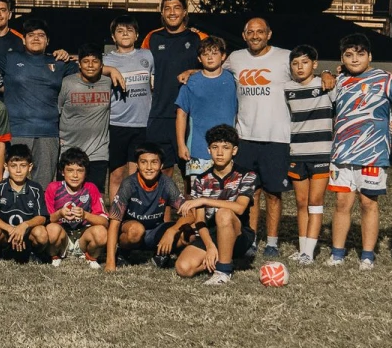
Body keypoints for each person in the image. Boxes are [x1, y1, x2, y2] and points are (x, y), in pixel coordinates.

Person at [326, 34, 392, 270]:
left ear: (370, 56)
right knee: (341, 203)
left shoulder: (384, 79)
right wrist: (327, 74)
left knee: (368, 203)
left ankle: (367, 255)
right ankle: (337, 253)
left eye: (360, 54)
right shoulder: (338, 80)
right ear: (342, 58)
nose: (355, 59)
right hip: (341, 154)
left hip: (372, 154)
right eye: (349, 54)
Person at [224, 18, 298, 257]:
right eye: (250, 32)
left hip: (276, 137)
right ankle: (251, 239)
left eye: (260, 32)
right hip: (245, 137)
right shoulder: (235, 58)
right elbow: (212, 69)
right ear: (244, 35)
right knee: (249, 193)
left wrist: (327, 74)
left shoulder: (285, 56)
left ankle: (273, 242)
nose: (255, 36)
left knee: (273, 193)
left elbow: (305, 72)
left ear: (269, 34)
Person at [172, 124, 258, 286]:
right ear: (208, 150)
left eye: (225, 147)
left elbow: (240, 207)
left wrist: (204, 200)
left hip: (239, 234)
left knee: (223, 213)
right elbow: (200, 221)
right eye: (215, 147)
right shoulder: (201, 180)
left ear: (234, 151)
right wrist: (210, 246)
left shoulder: (247, 175)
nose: (219, 152)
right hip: (211, 234)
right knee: (183, 268)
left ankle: (223, 271)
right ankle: (222, 258)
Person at [1, 17, 74, 185]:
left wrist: (112, 70)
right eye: (31, 34)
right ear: (23, 39)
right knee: (15, 182)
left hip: (48, 132)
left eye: (41, 35)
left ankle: (41, 213)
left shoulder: (58, 62)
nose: (35, 38)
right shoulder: (10, 59)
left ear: (48, 40)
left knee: (44, 185)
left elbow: (90, 66)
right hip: (18, 131)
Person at [141, 0, 208, 175]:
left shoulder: (198, 38)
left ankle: (190, 204)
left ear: (184, 11)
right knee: (162, 171)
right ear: (162, 13)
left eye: (176, 8)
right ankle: (164, 205)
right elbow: (138, 68)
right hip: (159, 114)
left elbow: (215, 68)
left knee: (191, 173)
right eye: (167, 8)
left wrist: (192, 71)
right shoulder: (152, 38)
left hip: (189, 116)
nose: (172, 12)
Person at [104, 143, 186, 273]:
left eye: (154, 162)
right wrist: (110, 262)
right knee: (136, 230)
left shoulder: (166, 183)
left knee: (189, 233)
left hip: (154, 229)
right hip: (131, 229)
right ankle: (123, 252)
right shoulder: (129, 184)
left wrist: (172, 231)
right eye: (143, 162)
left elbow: (190, 213)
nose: (149, 167)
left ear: (161, 165)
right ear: (137, 164)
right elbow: (114, 222)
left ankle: (160, 254)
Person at [285, 45, 333, 265]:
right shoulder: (287, 89)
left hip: (321, 154)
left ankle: (309, 252)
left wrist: (328, 74)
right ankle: (302, 247)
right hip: (297, 153)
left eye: (304, 62)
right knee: (301, 202)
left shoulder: (325, 85)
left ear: (314, 64)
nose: (299, 67)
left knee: (315, 201)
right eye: (295, 63)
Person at [103, 15, 153, 202]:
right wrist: (110, 70)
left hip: (141, 124)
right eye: (120, 31)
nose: (125, 34)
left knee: (135, 175)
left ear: (137, 35)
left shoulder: (147, 56)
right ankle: (115, 215)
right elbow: (88, 66)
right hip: (116, 124)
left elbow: (154, 81)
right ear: (113, 37)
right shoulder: (106, 60)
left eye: (129, 30)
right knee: (116, 175)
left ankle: (133, 212)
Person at [175, 37, 238, 178]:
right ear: (199, 58)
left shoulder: (232, 80)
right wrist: (181, 144)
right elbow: (181, 115)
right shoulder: (190, 82)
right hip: (198, 148)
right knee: (198, 195)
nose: (210, 57)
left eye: (214, 53)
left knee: (225, 194)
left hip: (227, 149)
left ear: (223, 56)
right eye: (205, 54)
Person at [58, 45, 112, 192]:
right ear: (79, 64)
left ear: (101, 65)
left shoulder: (108, 83)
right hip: (69, 149)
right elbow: (56, 111)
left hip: (98, 150)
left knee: (95, 195)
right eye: (86, 61)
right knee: (67, 196)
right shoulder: (67, 83)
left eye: (94, 61)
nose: (90, 65)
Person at [45, 147, 108, 268]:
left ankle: (89, 256)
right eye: (70, 170)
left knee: (101, 232)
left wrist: (85, 215)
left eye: (80, 171)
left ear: (86, 173)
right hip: (63, 234)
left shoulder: (91, 188)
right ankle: (56, 255)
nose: (75, 175)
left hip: (83, 235)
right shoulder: (53, 188)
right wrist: (60, 214)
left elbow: (104, 221)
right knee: (51, 229)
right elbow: (46, 220)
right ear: (62, 172)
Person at [0, 144, 49, 260]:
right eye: (13, 166)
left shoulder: (36, 188)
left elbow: (42, 217)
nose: (18, 171)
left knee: (41, 234)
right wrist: (10, 229)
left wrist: (24, 226)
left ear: (30, 167)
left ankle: (33, 252)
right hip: (5, 233)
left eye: (23, 166)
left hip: (27, 233)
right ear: (6, 167)